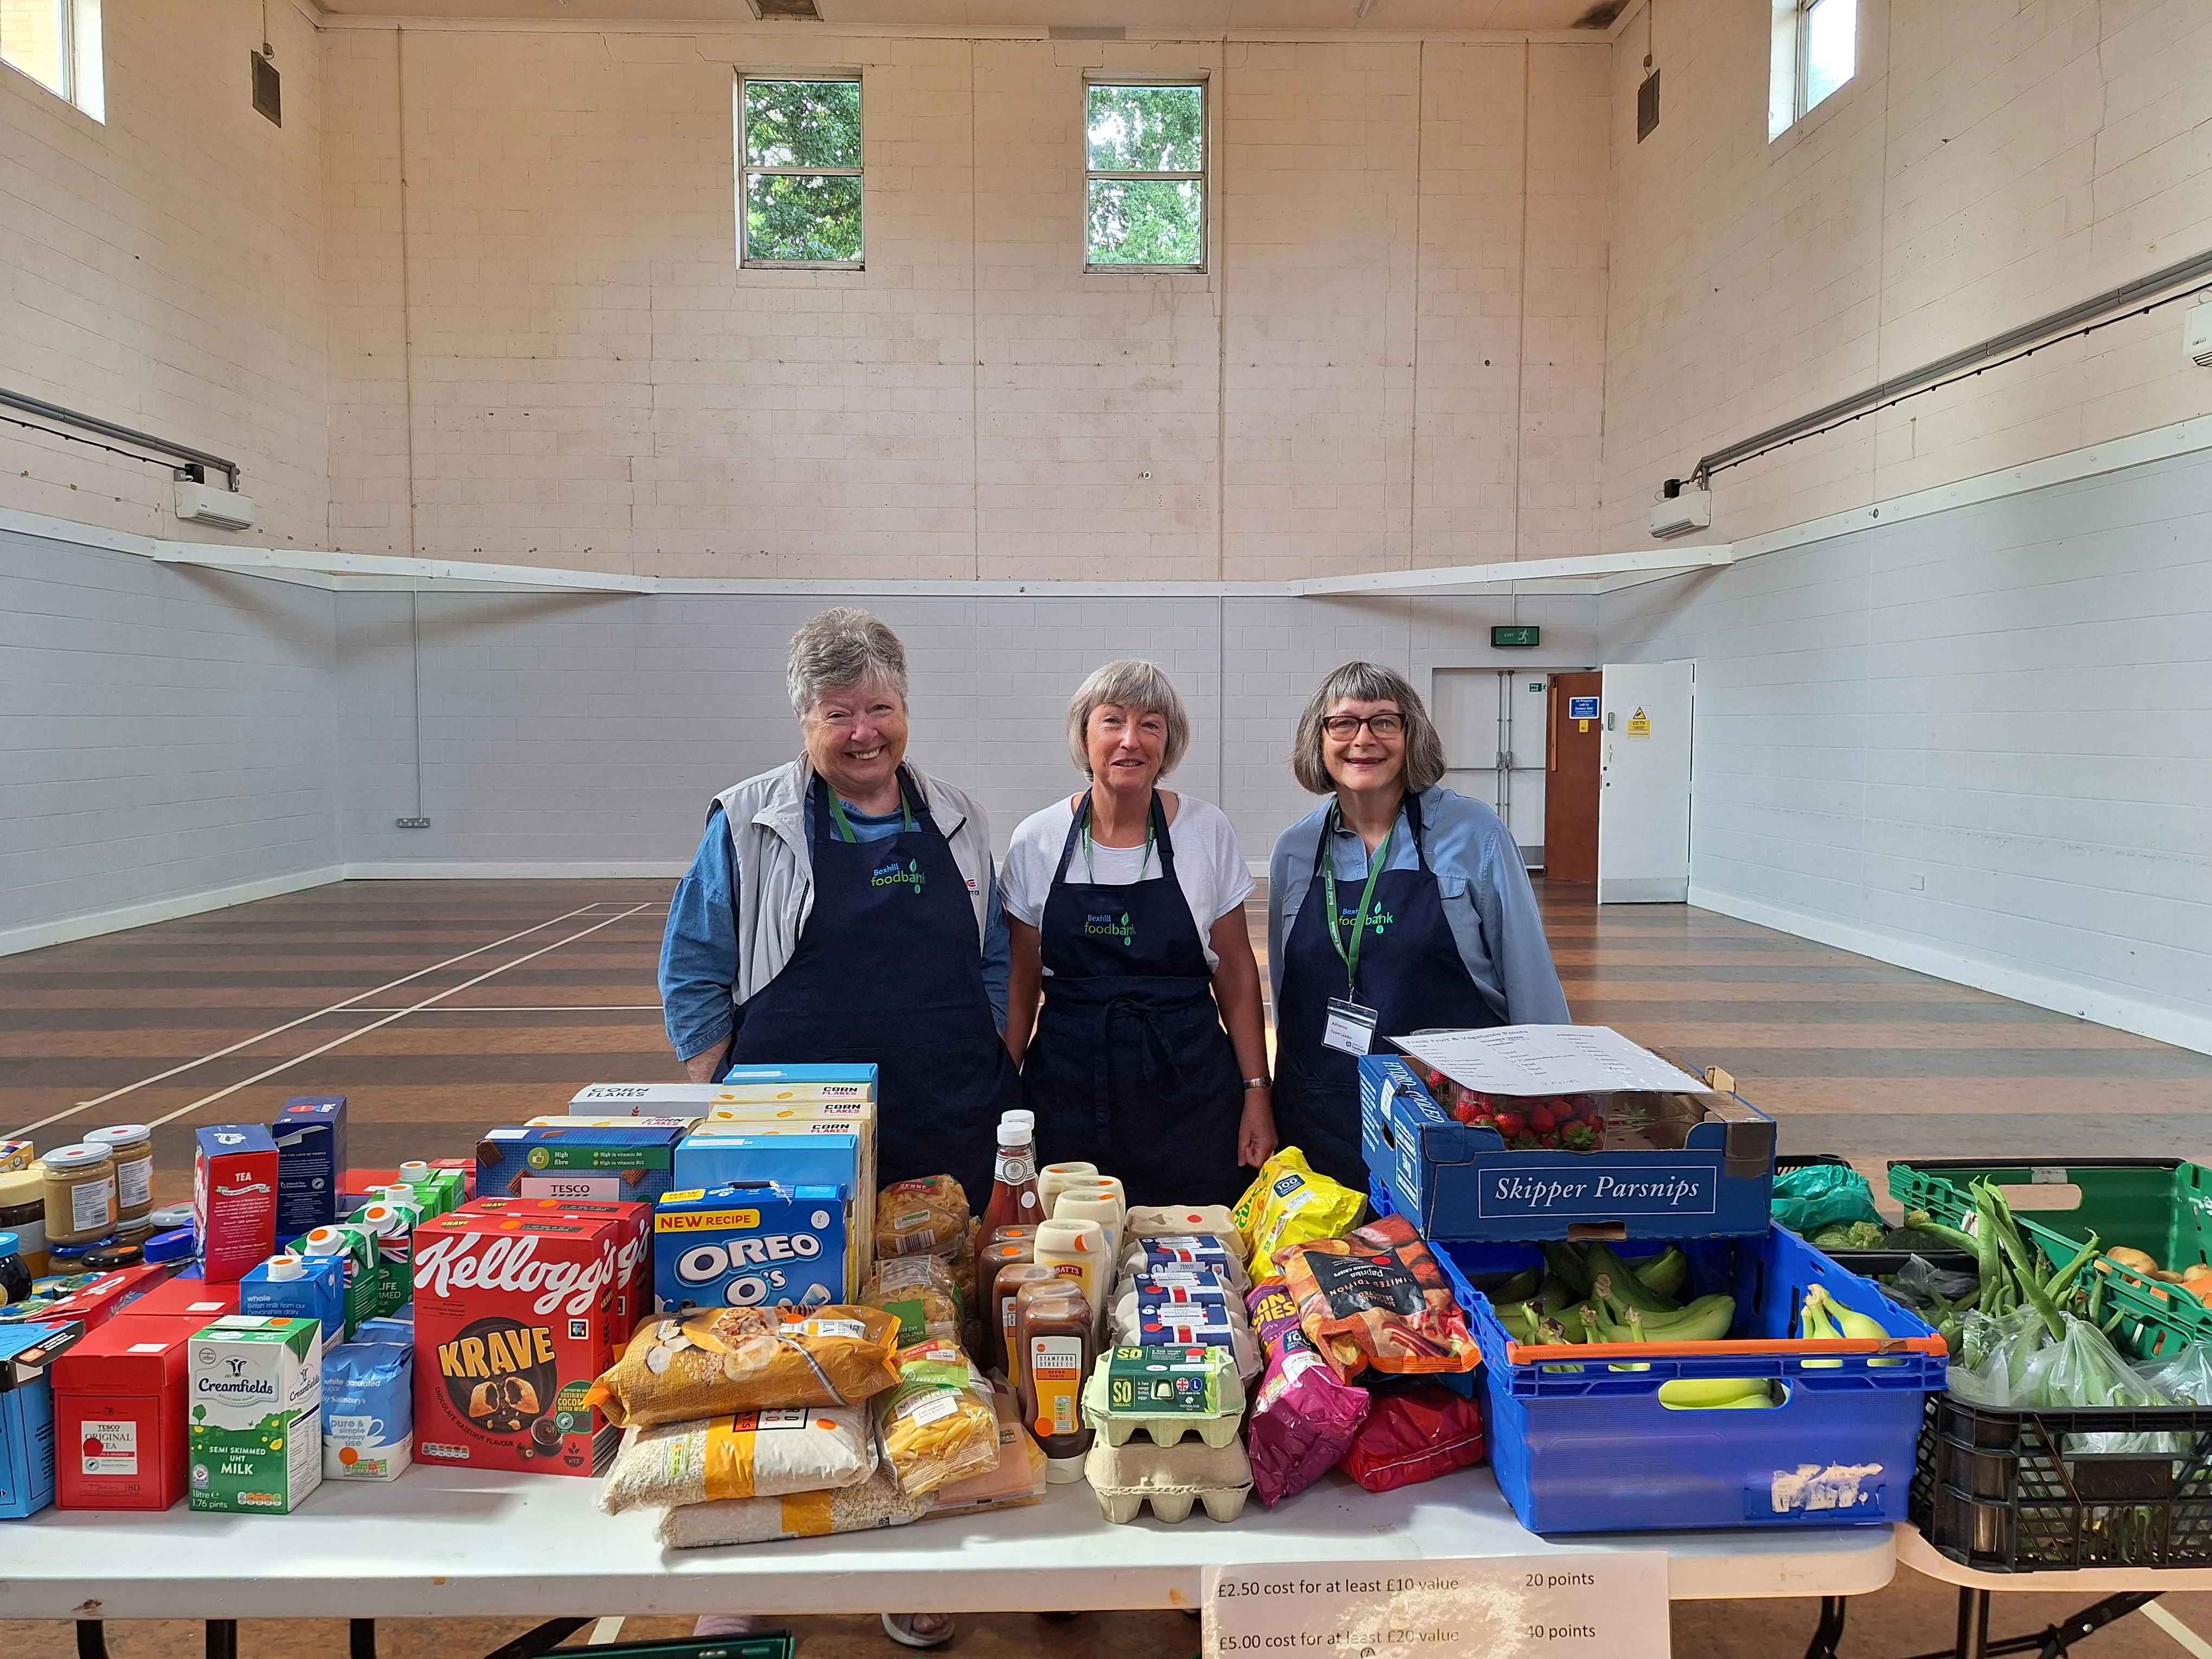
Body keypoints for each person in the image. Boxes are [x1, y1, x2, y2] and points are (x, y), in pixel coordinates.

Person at [661, 608, 1013, 1651]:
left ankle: (917, 1544)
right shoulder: (750, 819)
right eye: (839, 712)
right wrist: (723, 1086)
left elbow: (991, 952)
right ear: (805, 720)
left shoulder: (954, 814)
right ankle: (742, 1550)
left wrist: (992, 1041)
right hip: (792, 1122)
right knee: (771, 1332)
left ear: (907, 710)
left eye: (882, 708)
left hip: (943, 1105)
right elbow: (693, 966)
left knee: (931, 1331)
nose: (865, 731)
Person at [1268, 660, 1570, 1188]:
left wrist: (1558, 1103)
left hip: (1450, 1115)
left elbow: (1529, 978)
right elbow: (1285, 987)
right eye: (1344, 723)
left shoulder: (1474, 835)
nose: (1363, 739)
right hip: (1322, 1111)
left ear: (1412, 737)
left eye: (1385, 722)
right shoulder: (1296, 850)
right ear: (1319, 741)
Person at [1001, 660, 1276, 1208]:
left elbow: (1239, 976)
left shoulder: (1206, 831)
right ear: (1085, 735)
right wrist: (1002, 1095)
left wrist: (1257, 1094)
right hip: (1069, 1088)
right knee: (1070, 1252)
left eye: (1150, 724)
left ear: (1168, 741)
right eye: (1113, 722)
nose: (1131, 740)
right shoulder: (1038, 839)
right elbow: (1020, 982)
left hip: (1188, 1086)